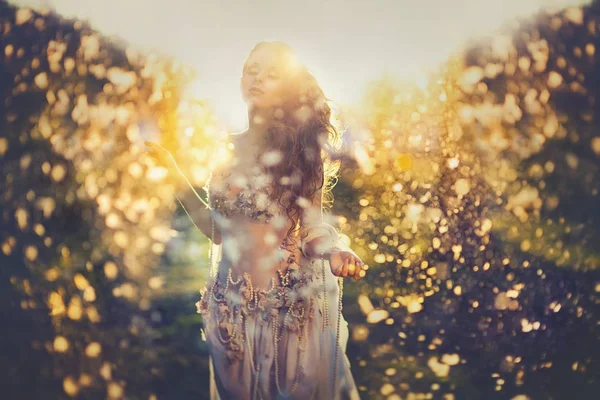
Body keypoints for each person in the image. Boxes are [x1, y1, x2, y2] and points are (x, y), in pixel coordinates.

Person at [146, 41, 365, 400]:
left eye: (272, 74)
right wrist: (172, 173)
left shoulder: (300, 153)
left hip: (288, 310)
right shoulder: (227, 149)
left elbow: (311, 229)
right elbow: (215, 231)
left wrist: (334, 253)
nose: (257, 78)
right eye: (252, 70)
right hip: (229, 311)